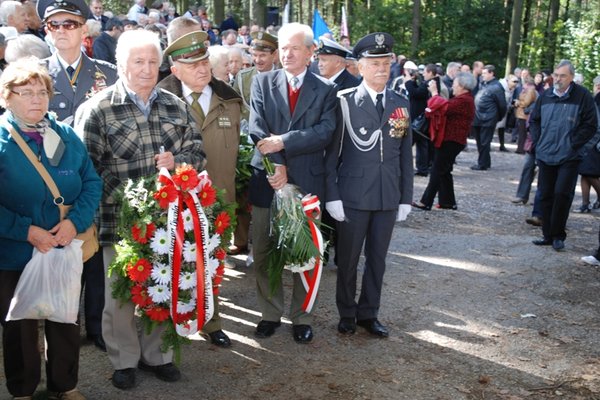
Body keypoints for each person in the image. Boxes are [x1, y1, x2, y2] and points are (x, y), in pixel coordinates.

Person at [74, 29, 206, 389]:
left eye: (152, 61)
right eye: (138, 61)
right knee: (119, 295)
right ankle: (123, 360)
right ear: (121, 64)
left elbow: (198, 152)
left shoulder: (175, 105)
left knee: (160, 288)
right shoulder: (97, 109)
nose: (147, 69)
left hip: (167, 224)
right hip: (120, 221)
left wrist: (178, 160)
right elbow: (88, 168)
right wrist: (135, 202)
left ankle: (157, 355)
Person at [0, 57, 102, 400]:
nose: (36, 99)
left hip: (63, 245)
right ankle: (23, 390)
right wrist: (25, 230)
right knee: (19, 326)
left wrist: (75, 222)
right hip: (14, 252)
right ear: (6, 96)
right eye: (25, 92)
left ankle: (65, 385)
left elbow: (91, 183)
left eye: (42, 91)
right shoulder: (2, 141)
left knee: (64, 318)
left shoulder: (65, 135)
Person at [248, 22, 337, 344]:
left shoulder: (325, 89)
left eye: (294, 47)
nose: (286, 53)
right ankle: (270, 313)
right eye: (283, 47)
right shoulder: (262, 82)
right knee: (264, 248)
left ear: (311, 52)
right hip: (268, 179)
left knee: (306, 251)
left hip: (308, 183)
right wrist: (278, 167)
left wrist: (283, 141)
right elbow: (257, 129)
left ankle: (302, 316)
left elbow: (325, 132)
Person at [38, 0, 118, 353]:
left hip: (98, 181)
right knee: (56, 254)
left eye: (69, 24)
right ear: (46, 31)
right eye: (54, 25)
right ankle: (60, 326)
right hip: (51, 184)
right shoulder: (34, 73)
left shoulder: (109, 73)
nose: (61, 31)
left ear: (84, 29)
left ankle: (98, 326)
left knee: (97, 258)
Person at [159, 27, 242, 348]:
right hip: (174, 203)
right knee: (173, 261)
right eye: (193, 64)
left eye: (205, 60)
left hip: (219, 199)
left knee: (213, 263)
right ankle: (169, 320)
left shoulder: (230, 100)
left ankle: (212, 319)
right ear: (176, 69)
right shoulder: (161, 99)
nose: (203, 68)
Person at [325, 32, 413, 338]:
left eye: (386, 62)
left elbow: (405, 157)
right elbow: (331, 155)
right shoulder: (344, 102)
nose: (382, 68)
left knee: (378, 260)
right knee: (347, 260)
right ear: (359, 67)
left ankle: (368, 313)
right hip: (351, 196)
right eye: (374, 63)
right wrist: (332, 196)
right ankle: (347, 312)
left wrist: (406, 198)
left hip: (387, 195)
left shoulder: (400, 104)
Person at [530, 60, 598, 251]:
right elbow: (534, 120)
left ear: (571, 77)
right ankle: (547, 235)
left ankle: (558, 235)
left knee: (562, 194)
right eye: (556, 75)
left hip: (569, 156)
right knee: (545, 194)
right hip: (545, 153)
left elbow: (591, 125)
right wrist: (538, 141)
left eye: (562, 76)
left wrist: (573, 144)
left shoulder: (582, 96)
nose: (558, 79)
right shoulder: (546, 95)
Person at [230, 31, 279, 256]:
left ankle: (273, 244)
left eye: (263, 55)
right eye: (255, 54)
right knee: (242, 190)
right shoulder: (243, 77)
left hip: (274, 143)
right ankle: (240, 240)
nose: (258, 60)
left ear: (274, 55)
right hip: (247, 143)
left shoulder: (282, 76)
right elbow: (236, 106)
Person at [412, 72, 476, 211]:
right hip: (452, 139)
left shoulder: (464, 100)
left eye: (455, 84)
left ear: (462, 86)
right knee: (445, 170)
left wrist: (435, 92)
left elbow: (442, 107)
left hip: (451, 140)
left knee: (437, 170)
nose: (453, 86)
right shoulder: (463, 98)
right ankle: (448, 202)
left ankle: (426, 202)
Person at [470, 64, 507, 170]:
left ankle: (482, 164)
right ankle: (485, 161)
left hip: (488, 118)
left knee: (484, 142)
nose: (483, 76)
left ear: (492, 73)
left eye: (485, 73)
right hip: (478, 117)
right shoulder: (483, 84)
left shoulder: (496, 87)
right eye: (482, 74)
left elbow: (502, 105)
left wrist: (497, 117)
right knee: (480, 141)